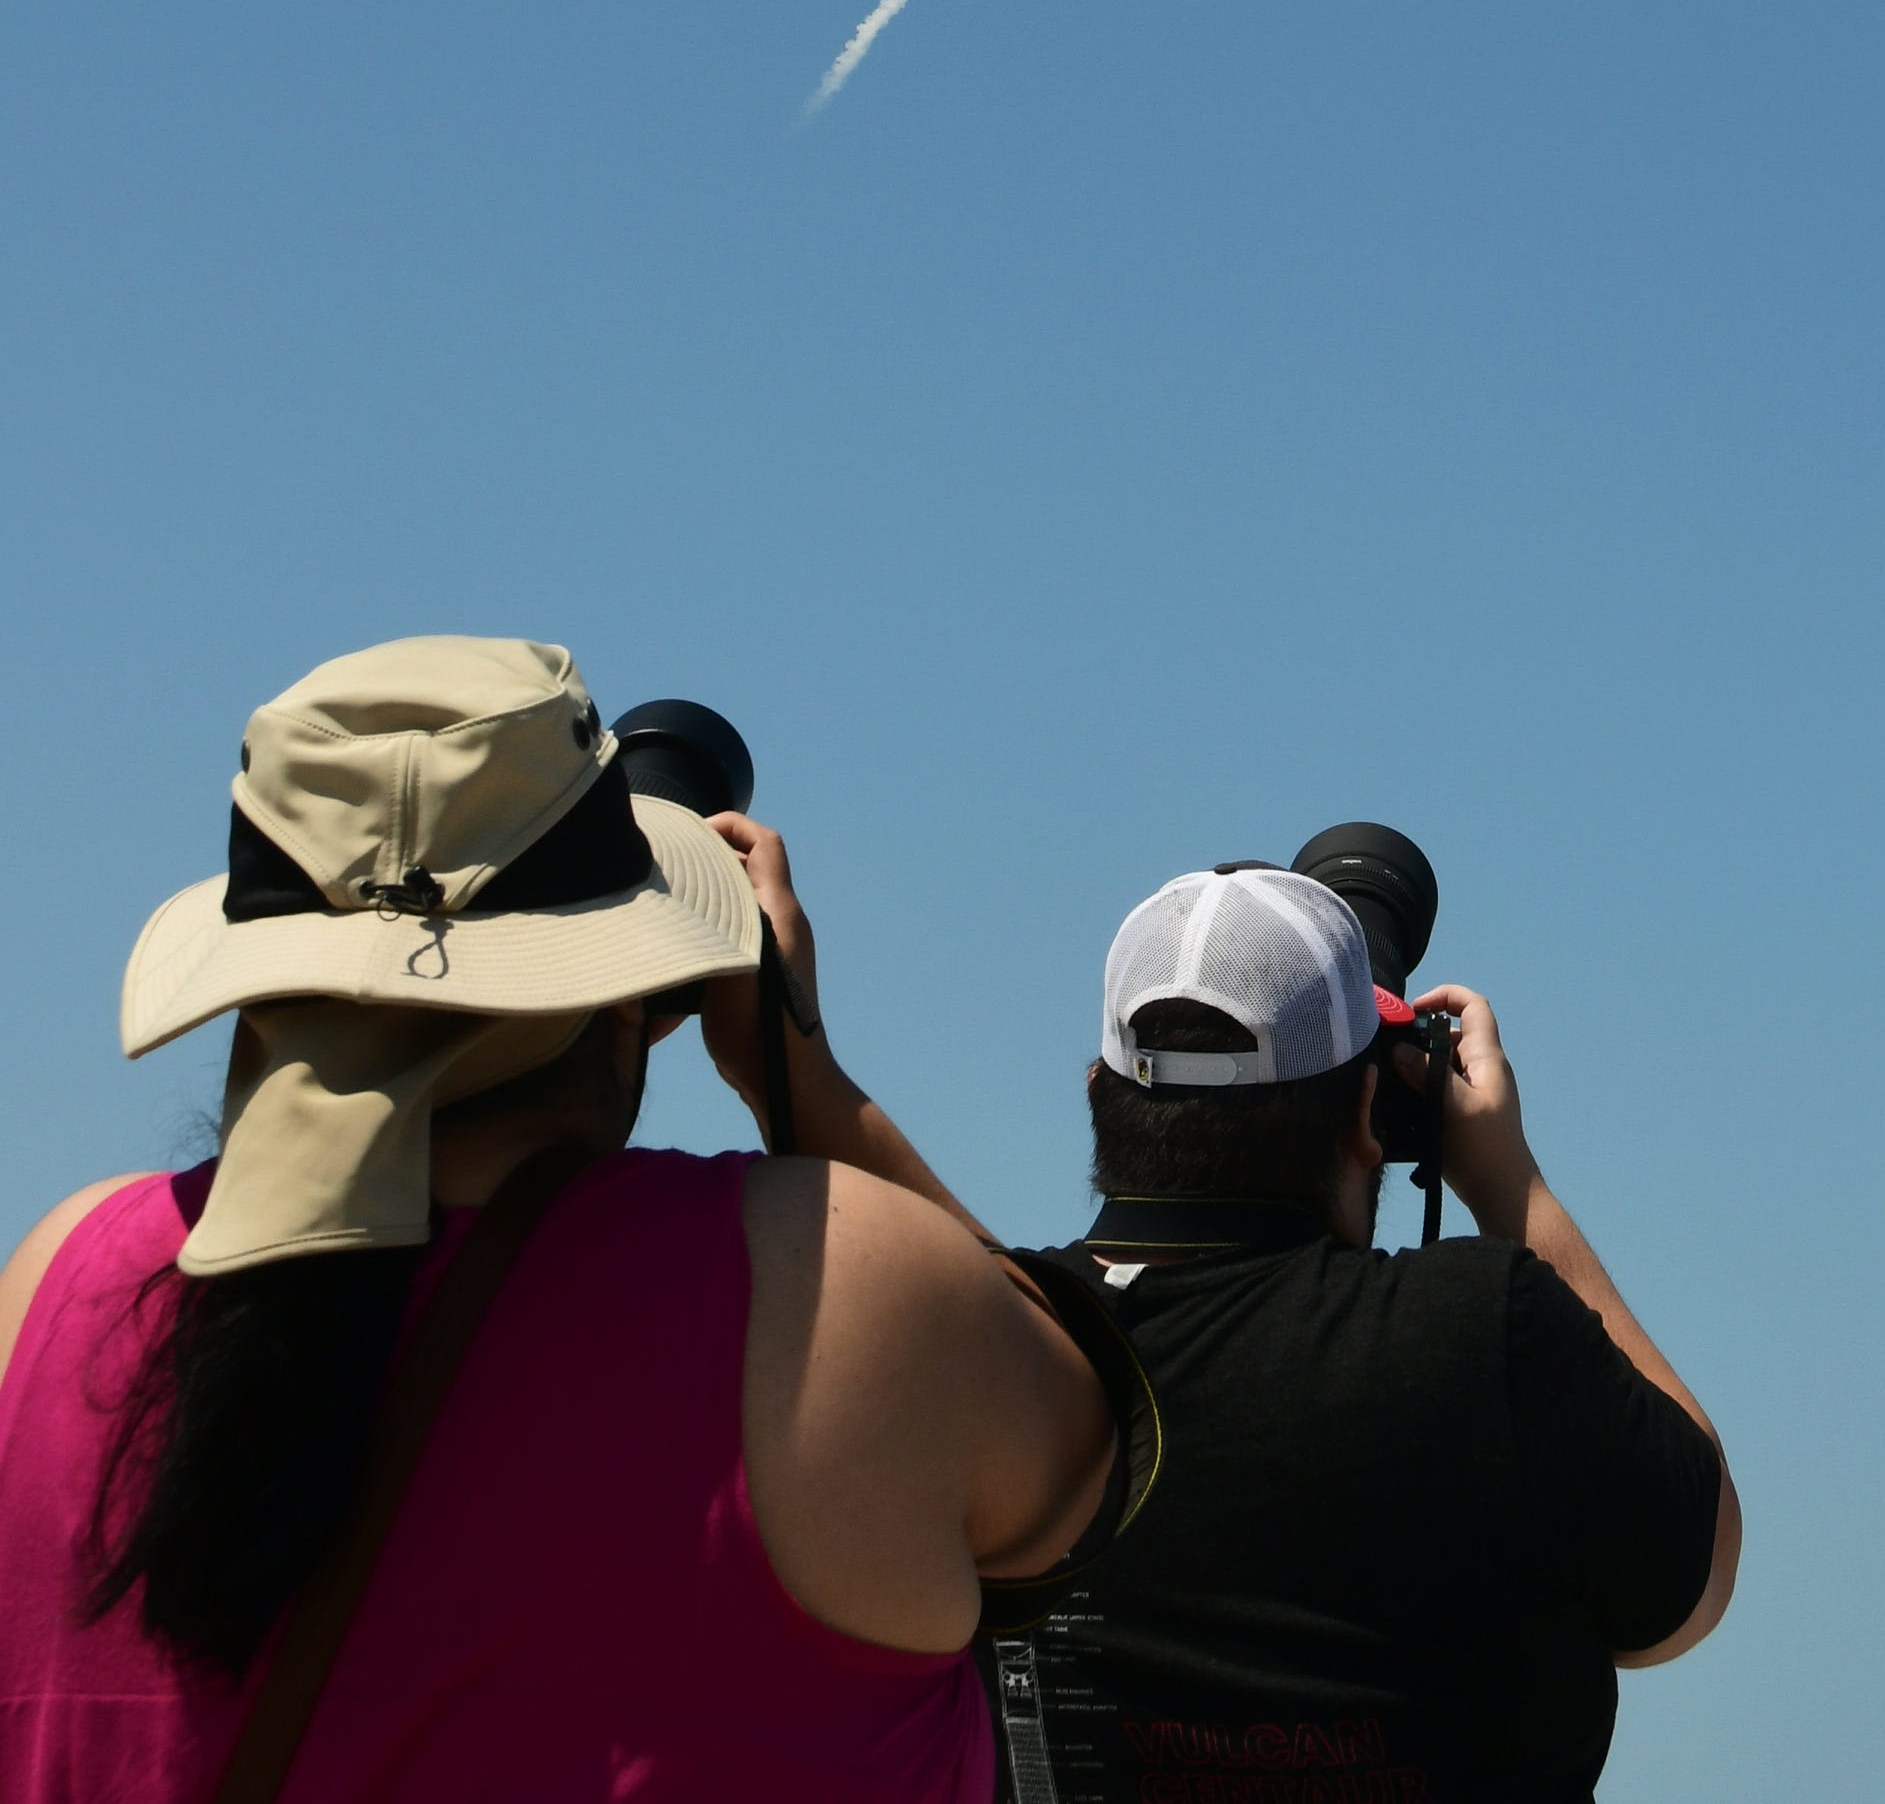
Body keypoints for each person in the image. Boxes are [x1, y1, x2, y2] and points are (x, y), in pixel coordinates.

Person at [0, 636, 1118, 1803]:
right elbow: (1094, 1466)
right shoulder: (844, 1284)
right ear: (634, 986)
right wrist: (795, 1067)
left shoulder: (51, 1282)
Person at [990, 864, 1741, 1803]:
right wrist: (1511, 1184)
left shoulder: (984, 1338)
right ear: (1367, 1111)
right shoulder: (1478, 1332)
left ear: (1099, 1090)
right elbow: (1693, 1579)